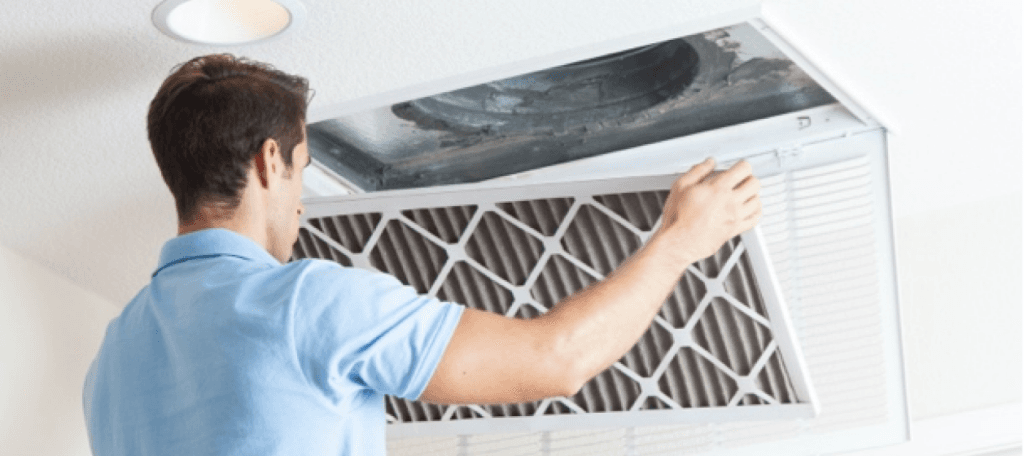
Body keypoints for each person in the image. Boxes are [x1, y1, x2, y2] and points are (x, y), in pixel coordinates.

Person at [83, 54, 761, 456]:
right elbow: (554, 361)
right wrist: (680, 243)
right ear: (269, 163)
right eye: (303, 171)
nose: (302, 204)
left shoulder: (112, 359)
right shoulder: (306, 302)